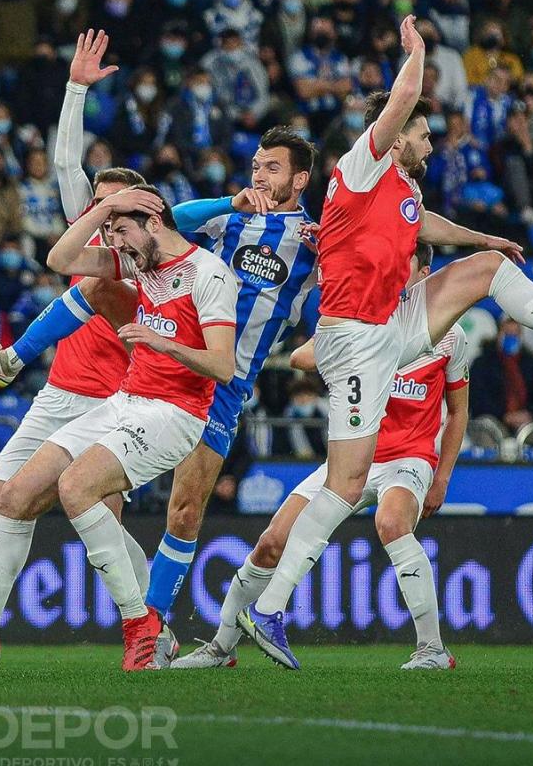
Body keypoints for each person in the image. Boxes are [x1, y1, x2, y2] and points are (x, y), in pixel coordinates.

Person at [237, 16, 533, 670]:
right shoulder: (362, 164)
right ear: (396, 138)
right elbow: (400, 102)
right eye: (424, 135)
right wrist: (418, 55)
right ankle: (265, 609)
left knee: (488, 272)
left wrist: (483, 239)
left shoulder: (401, 189)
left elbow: (426, 221)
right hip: (354, 334)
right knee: (343, 490)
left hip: (387, 325)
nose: (430, 142)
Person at [0, 121, 321, 640]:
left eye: (272, 167)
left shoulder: (314, 243)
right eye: (257, 164)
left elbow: (333, 308)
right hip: (166, 361)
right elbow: (170, 220)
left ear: (300, 179)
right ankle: (13, 358)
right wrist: (228, 203)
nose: (260, 174)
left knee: (185, 511)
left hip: (226, 380)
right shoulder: (231, 221)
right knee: (102, 283)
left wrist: (332, 265)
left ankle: (156, 627)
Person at [0, 183, 240, 672]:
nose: (116, 244)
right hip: (126, 401)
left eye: (122, 231)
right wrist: (106, 208)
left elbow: (223, 366)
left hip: (175, 414)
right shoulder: (136, 264)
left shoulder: (210, 275)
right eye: (110, 233)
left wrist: (160, 343)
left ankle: (141, 625)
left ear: (154, 223)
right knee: (15, 496)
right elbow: (61, 259)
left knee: (76, 488)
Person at [176, 246, 469, 670]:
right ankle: (221, 647)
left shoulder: (450, 337)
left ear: (424, 273)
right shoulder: (362, 319)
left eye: (399, 266)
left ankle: (432, 649)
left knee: (390, 523)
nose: (387, 270)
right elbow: (300, 357)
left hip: (407, 459)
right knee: (271, 543)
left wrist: (442, 478)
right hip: (348, 459)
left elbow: (459, 411)